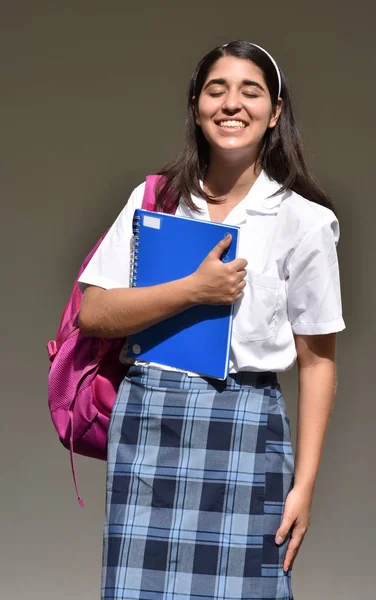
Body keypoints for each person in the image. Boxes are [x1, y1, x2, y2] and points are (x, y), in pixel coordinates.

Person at [77, 40, 345, 600]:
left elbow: (318, 363)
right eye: (215, 90)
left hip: (247, 424)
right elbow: (94, 312)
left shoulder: (306, 222)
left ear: (274, 113)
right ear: (196, 105)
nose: (231, 104)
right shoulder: (156, 200)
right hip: (151, 418)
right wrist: (192, 290)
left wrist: (305, 487)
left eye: (251, 92)